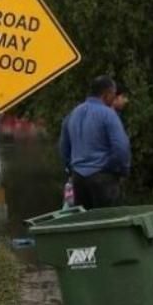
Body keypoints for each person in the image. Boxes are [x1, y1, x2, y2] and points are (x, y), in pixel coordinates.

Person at [59, 76, 131, 209]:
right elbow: (121, 148)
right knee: (107, 222)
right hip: (103, 177)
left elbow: (64, 148)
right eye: (113, 94)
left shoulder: (73, 114)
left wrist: (72, 169)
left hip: (78, 179)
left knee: (86, 222)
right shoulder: (108, 114)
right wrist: (120, 170)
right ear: (107, 94)